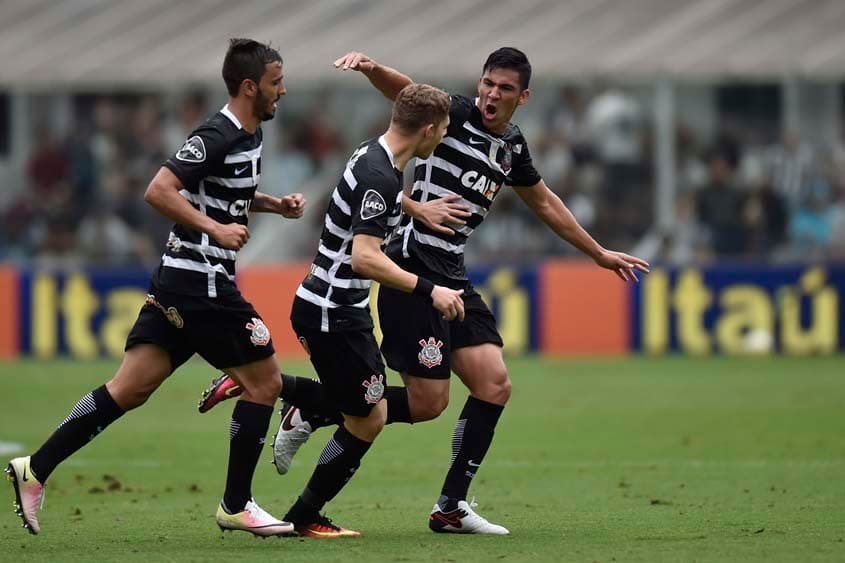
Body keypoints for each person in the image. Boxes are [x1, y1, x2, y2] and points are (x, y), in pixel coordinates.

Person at [198, 47, 649, 535]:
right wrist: (374, 71)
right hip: (414, 269)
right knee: (418, 401)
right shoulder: (453, 114)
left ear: (523, 96)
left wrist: (598, 253)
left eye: (504, 88)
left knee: (492, 385)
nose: (491, 94)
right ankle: (305, 403)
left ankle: (450, 506)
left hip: (451, 271)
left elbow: (544, 201)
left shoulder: (512, 146)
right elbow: (407, 96)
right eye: (488, 83)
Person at [5, 38, 306, 538]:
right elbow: (158, 189)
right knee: (266, 383)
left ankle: (34, 468)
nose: (284, 90)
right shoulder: (217, 132)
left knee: (129, 388)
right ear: (250, 87)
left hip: (183, 279)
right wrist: (215, 230)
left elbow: (225, 192)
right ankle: (237, 503)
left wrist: (274, 205)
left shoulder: (248, 136)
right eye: (276, 82)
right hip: (199, 280)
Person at [272, 83, 463, 537]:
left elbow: (374, 198)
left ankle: (291, 402)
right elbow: (365, 257)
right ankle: (304, 514)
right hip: (332, 312)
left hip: (335, 307)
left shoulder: (372, 154)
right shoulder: (382, 174)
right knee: (369, 417)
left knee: (366, 408)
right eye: (445, 131)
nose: (445, 138)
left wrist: (416, 209)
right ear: (429, 130)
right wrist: (429, 290)